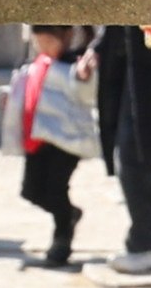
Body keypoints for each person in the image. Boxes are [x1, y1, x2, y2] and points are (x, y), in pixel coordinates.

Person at [9, 24, 102, 270]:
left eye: (48, 42)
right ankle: (69, 214)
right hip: (36, 138)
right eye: (39, 43)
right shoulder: (35, 63)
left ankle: (62, 239)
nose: (43, 48)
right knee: (30, 190)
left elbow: (87, 91)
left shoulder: (75, 63)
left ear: (66, 37)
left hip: (64, 141)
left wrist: (84, 76)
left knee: (55, 189)